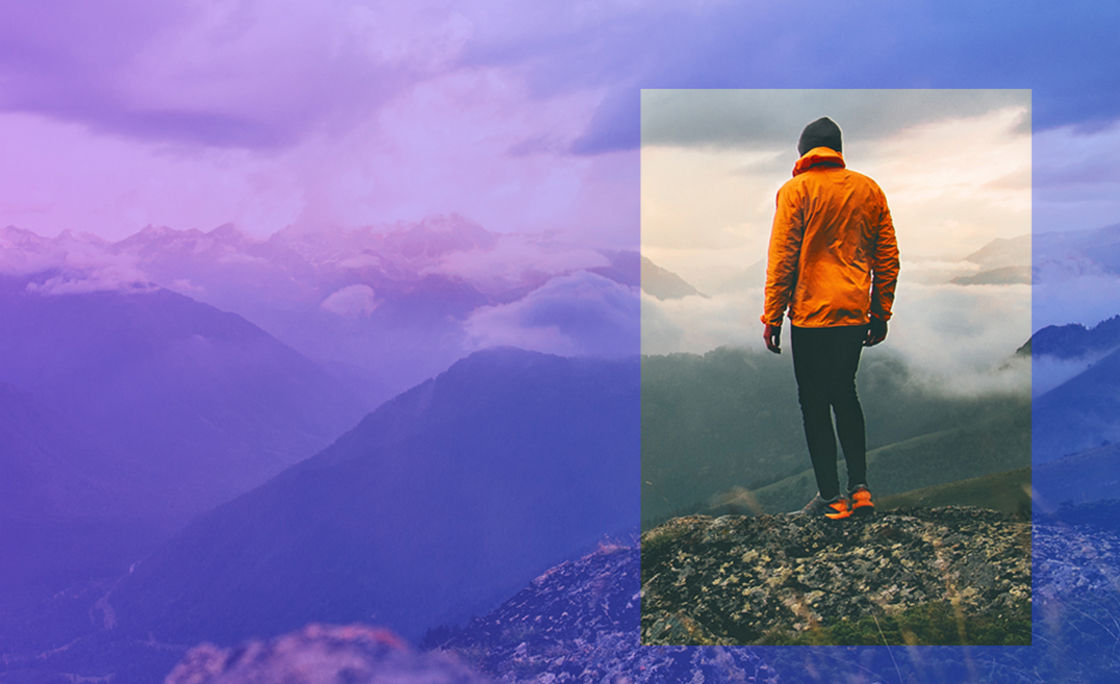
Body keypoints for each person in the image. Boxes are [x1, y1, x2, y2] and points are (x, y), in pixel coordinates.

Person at [760, 116, 900, 520]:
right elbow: (888, 257)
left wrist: (772, 315)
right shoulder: (868, 189)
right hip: (853, 312)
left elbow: (783, 258)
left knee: (814, 403)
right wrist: (880, 310)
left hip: (809, 316)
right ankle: (861, 491)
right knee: (846, 394)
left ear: (804, 152)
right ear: (838, 150)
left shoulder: (795, 191)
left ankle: (831, 497)